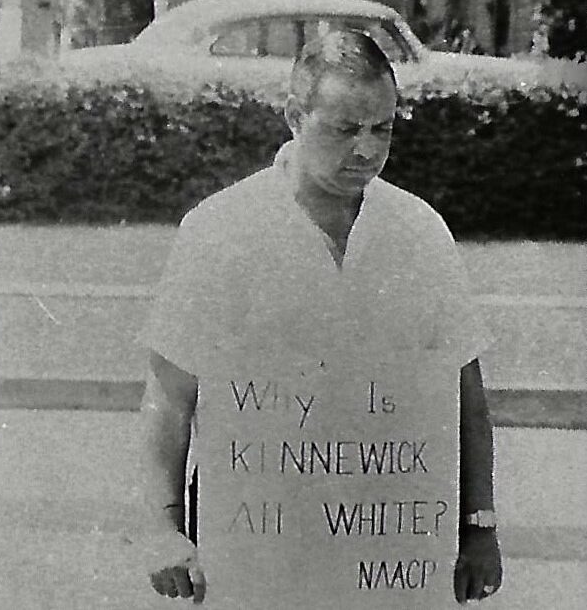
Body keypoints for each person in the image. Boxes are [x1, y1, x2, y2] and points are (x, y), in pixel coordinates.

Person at [140, 30, 502, 606]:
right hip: (258, 557)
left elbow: (465, 397)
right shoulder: (221, 229)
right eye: (344, 129)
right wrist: (162, 528)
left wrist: (479, 524)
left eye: (382, 128)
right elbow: (169, 398)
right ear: (294, 117)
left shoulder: (420, 231)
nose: (366, 149)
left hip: (389, 561)